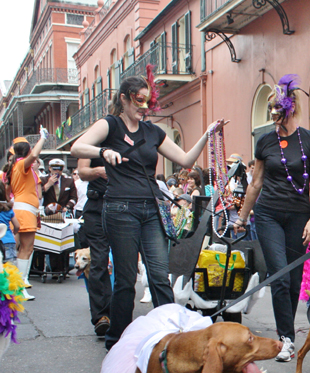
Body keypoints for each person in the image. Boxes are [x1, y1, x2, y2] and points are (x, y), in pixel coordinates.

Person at [71, 73, 222, 350]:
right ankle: (117, 339)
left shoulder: (153, 132)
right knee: (127, 280)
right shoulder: (111, 125)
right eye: (139, 100)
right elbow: (76, 147)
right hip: (119, 209)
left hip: (151, 209)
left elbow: (186, 159)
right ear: (125, 99)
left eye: (148, 101)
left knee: (159, 275)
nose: (143, 106)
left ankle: (170, 337)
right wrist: (103, 151)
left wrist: (207, 134)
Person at [233, 74, 310, 362]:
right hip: (268, 213)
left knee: (294, 278)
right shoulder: (265, 141)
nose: (274, 114)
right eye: (271, 109)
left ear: (291, 107)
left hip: (298, 215)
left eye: (278, 108)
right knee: (280, 276)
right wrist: (242, 217)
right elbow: (256, 182)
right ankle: (286, 338)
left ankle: (286, 334)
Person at [7, 128, 48, 300]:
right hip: (24, 211)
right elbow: (33, 156)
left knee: (25, 249)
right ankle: (19, 287)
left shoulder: (19, 167)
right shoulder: (21, 165)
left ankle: (17, 285)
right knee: (25, 249)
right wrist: (42, 139)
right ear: (28, 151)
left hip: (25, 210)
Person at [77, 157, 112, 337]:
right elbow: (82, 172)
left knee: (125, 264)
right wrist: (99, 171)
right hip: (96, 206)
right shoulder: (90, 142)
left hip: (123, 205)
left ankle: (120, 315)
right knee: (98, 261)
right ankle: (101, 317)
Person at [0, 181, 19, 264]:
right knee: (9, 269)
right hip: (8, 240)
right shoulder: (8, 208)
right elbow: (17, 225)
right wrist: (14, 232)